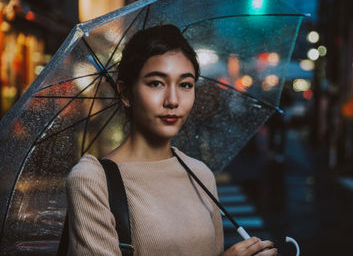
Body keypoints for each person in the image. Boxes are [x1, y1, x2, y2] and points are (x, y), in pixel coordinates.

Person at [66, 24, 277, 256]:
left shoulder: (201, 174)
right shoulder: (93, 181)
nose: (173, 100)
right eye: (156, 83)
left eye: (185, 84)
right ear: (125, 93)